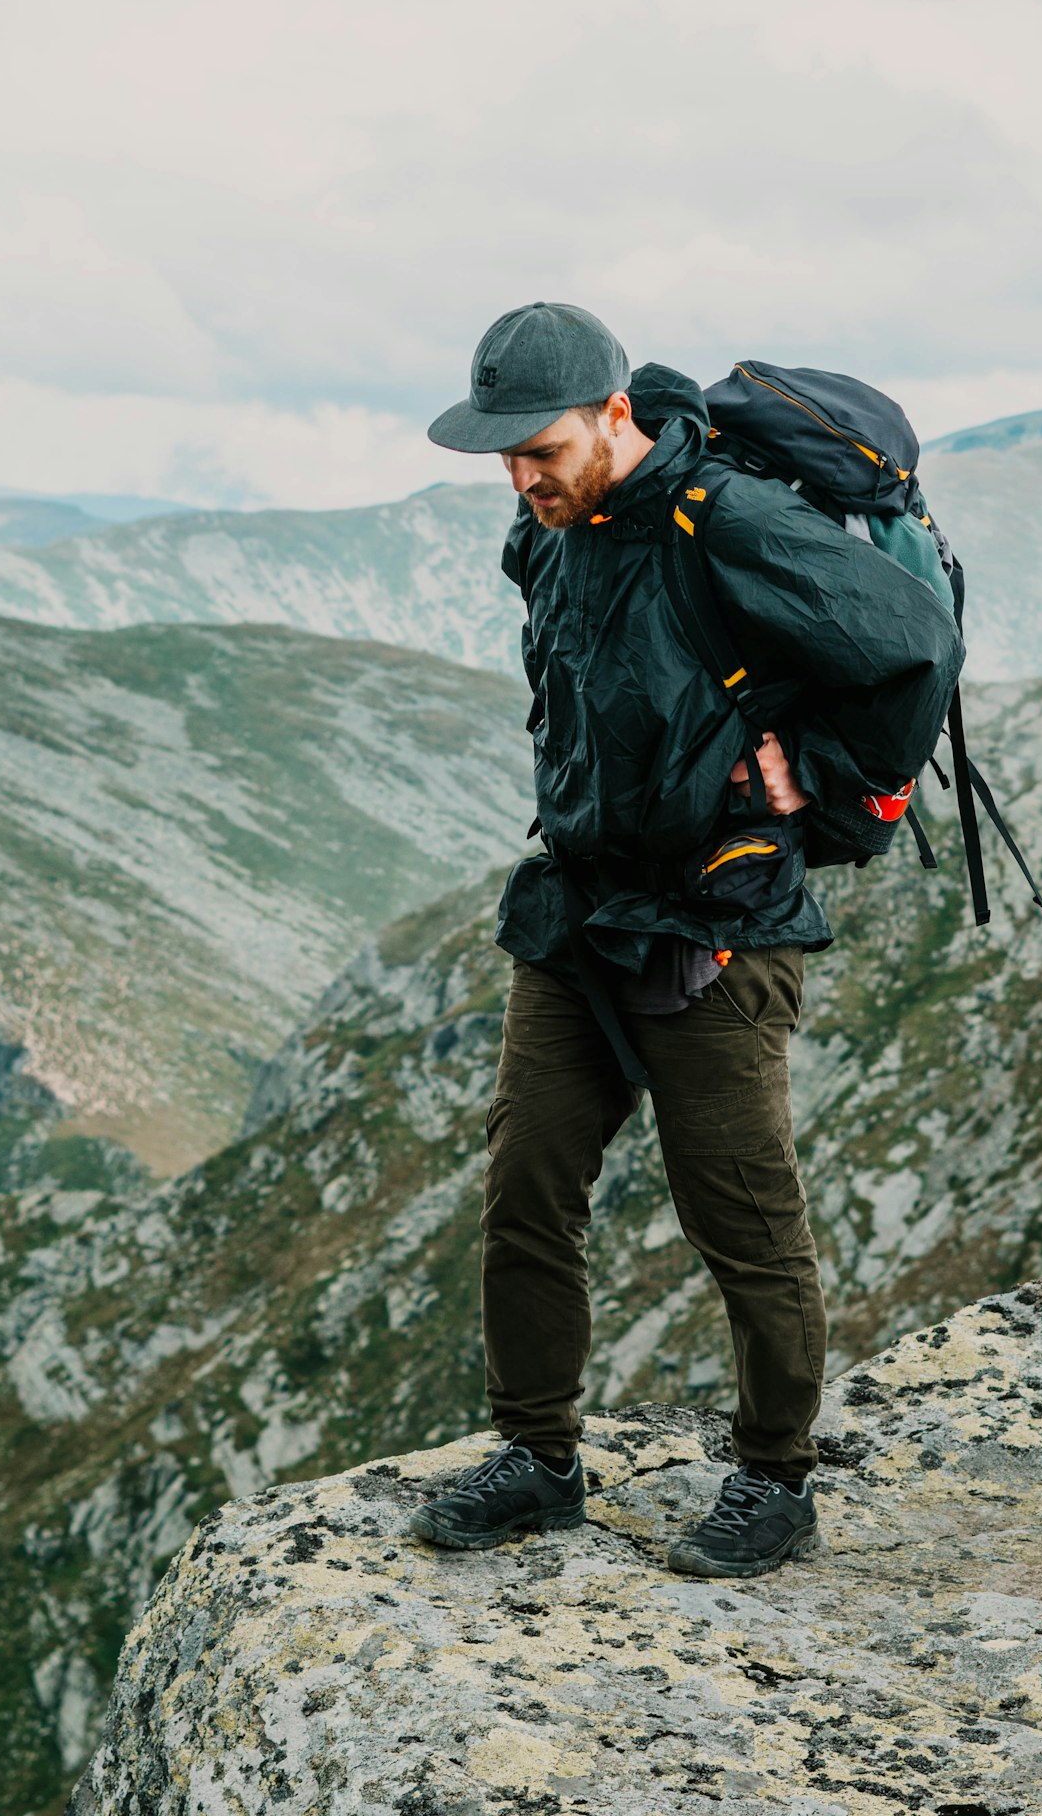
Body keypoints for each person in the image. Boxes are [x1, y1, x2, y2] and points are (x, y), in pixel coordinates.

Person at [411, 302, 962, 1577]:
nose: (519, 477)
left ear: (614, 415)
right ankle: (539, 1461)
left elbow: (910, 644)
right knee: (528, 1188)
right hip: (581, 908)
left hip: (719, 921)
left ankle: (776, 1480)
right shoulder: (546, 527)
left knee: (742, 1218)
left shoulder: (725, 517)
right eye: (502, 456)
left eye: (538, 449)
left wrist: (814, 780)